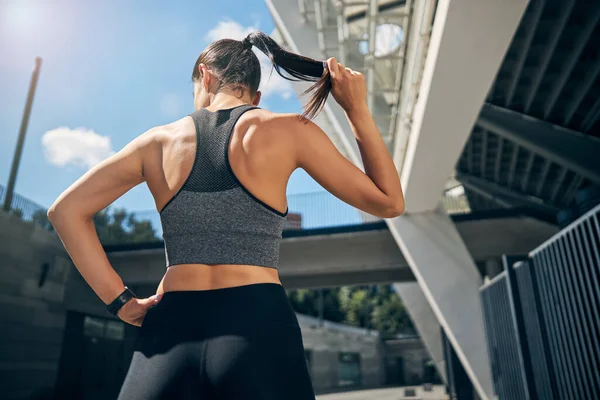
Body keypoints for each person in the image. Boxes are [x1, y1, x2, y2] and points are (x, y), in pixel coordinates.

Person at [47, 31, 404, 399]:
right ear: (256, 96)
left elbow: (66, 211)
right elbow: (389, 202)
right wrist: (356, 109)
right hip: (258, 323)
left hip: (170, 327)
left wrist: (122, 303)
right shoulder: (290, 131)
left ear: (206, 77)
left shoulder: (156, 143)